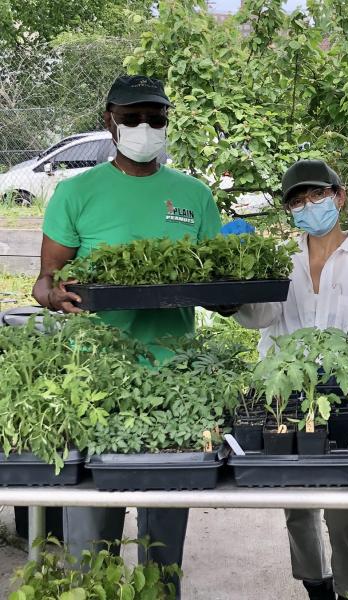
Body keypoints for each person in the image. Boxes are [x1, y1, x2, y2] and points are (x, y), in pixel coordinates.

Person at [32, 74, 223, 598]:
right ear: (109, 120)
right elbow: (44, 281)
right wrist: (55, 294)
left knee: (164, 551)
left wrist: (227, 296)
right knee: (90, 544)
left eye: (155, 118)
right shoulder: (76, 192)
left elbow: (217, 281)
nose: (145, 127)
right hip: (97, 384)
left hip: (174, 385)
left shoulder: (195, 195)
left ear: (167, 122)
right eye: (132, 116)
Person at [231, 159, 348, 600]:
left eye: (317, 196)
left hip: (346, 395)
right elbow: (261, 317)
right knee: (297, 503)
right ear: (288, 210)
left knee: (346, 512)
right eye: (297, 201)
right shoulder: (282, 260)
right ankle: (315, 584)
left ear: (339, 196)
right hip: (285, 396)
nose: (309, 206)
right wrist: (235, 282)